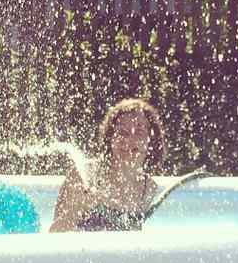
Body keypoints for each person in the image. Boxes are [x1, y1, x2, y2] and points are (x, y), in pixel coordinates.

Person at [48, 98, 166, 233]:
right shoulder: (84, 175)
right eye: (122, 132)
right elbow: (53, 235)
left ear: (151, 140)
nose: (129, 140)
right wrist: (80, 208)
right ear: (110, 138)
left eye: (139, 132)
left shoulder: (149, 188)